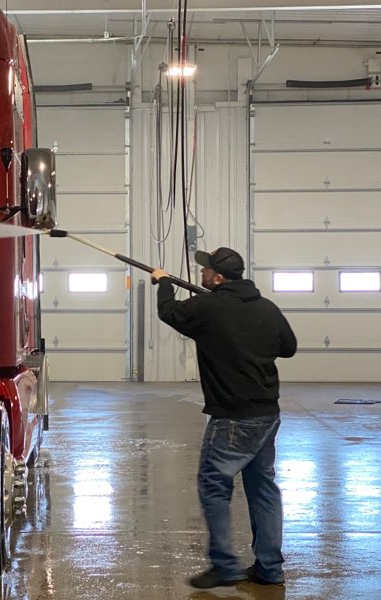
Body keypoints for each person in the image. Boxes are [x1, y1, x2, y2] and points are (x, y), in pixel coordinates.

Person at [151, 247, 297, 590]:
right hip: (266, 414)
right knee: (263, 488)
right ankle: (269, 568)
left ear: (217, 277)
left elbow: (170, 313)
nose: (201, 274)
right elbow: (288, 347)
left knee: (214, 485)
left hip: (231, 417)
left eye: (206, 271)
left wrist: (163, 282)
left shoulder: (209, 307)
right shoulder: (266, 307)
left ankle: (225, 565)